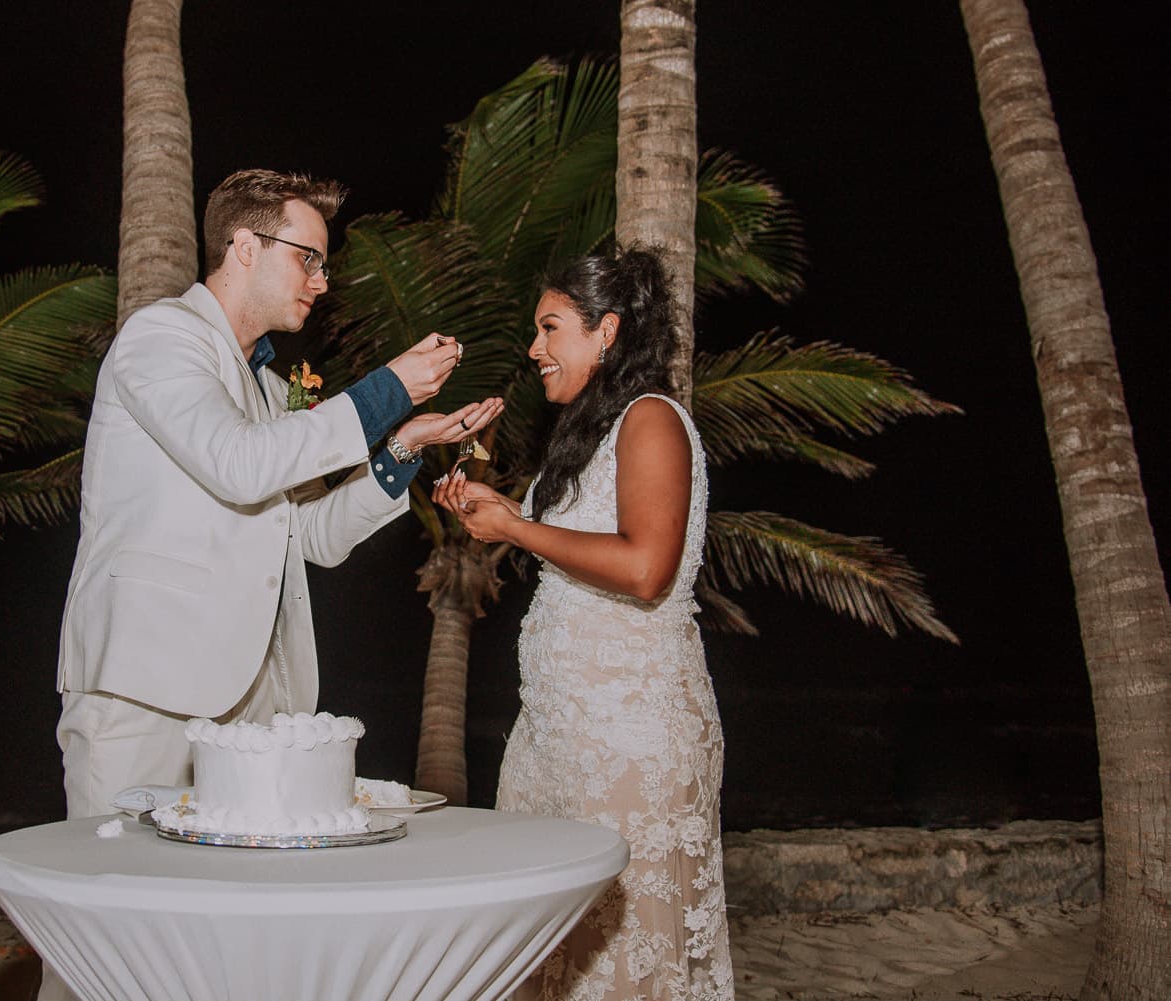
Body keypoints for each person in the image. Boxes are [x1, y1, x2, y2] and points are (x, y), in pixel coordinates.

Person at [56, 167, 503, 821]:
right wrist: (387, 391)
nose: (321, 282)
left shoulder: (267, 390)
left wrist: (403, 444)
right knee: (119, 898)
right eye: (308, 259)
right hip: (145, 690)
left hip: (255, 704)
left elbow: (311, 538)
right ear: (245, 247)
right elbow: (237, 466)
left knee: (229, 913)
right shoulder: (161, 337)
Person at [433, 247, 732, 1000]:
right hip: (555, 740)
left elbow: (644, 567)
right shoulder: (583, 436)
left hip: (632, 741)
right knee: (546, 955)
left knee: (623, 963)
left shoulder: (653, 419)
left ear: (607, 330)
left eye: (550, 327)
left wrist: (517, 531)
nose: (535, 348)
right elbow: (573, 549)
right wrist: (490, 513)